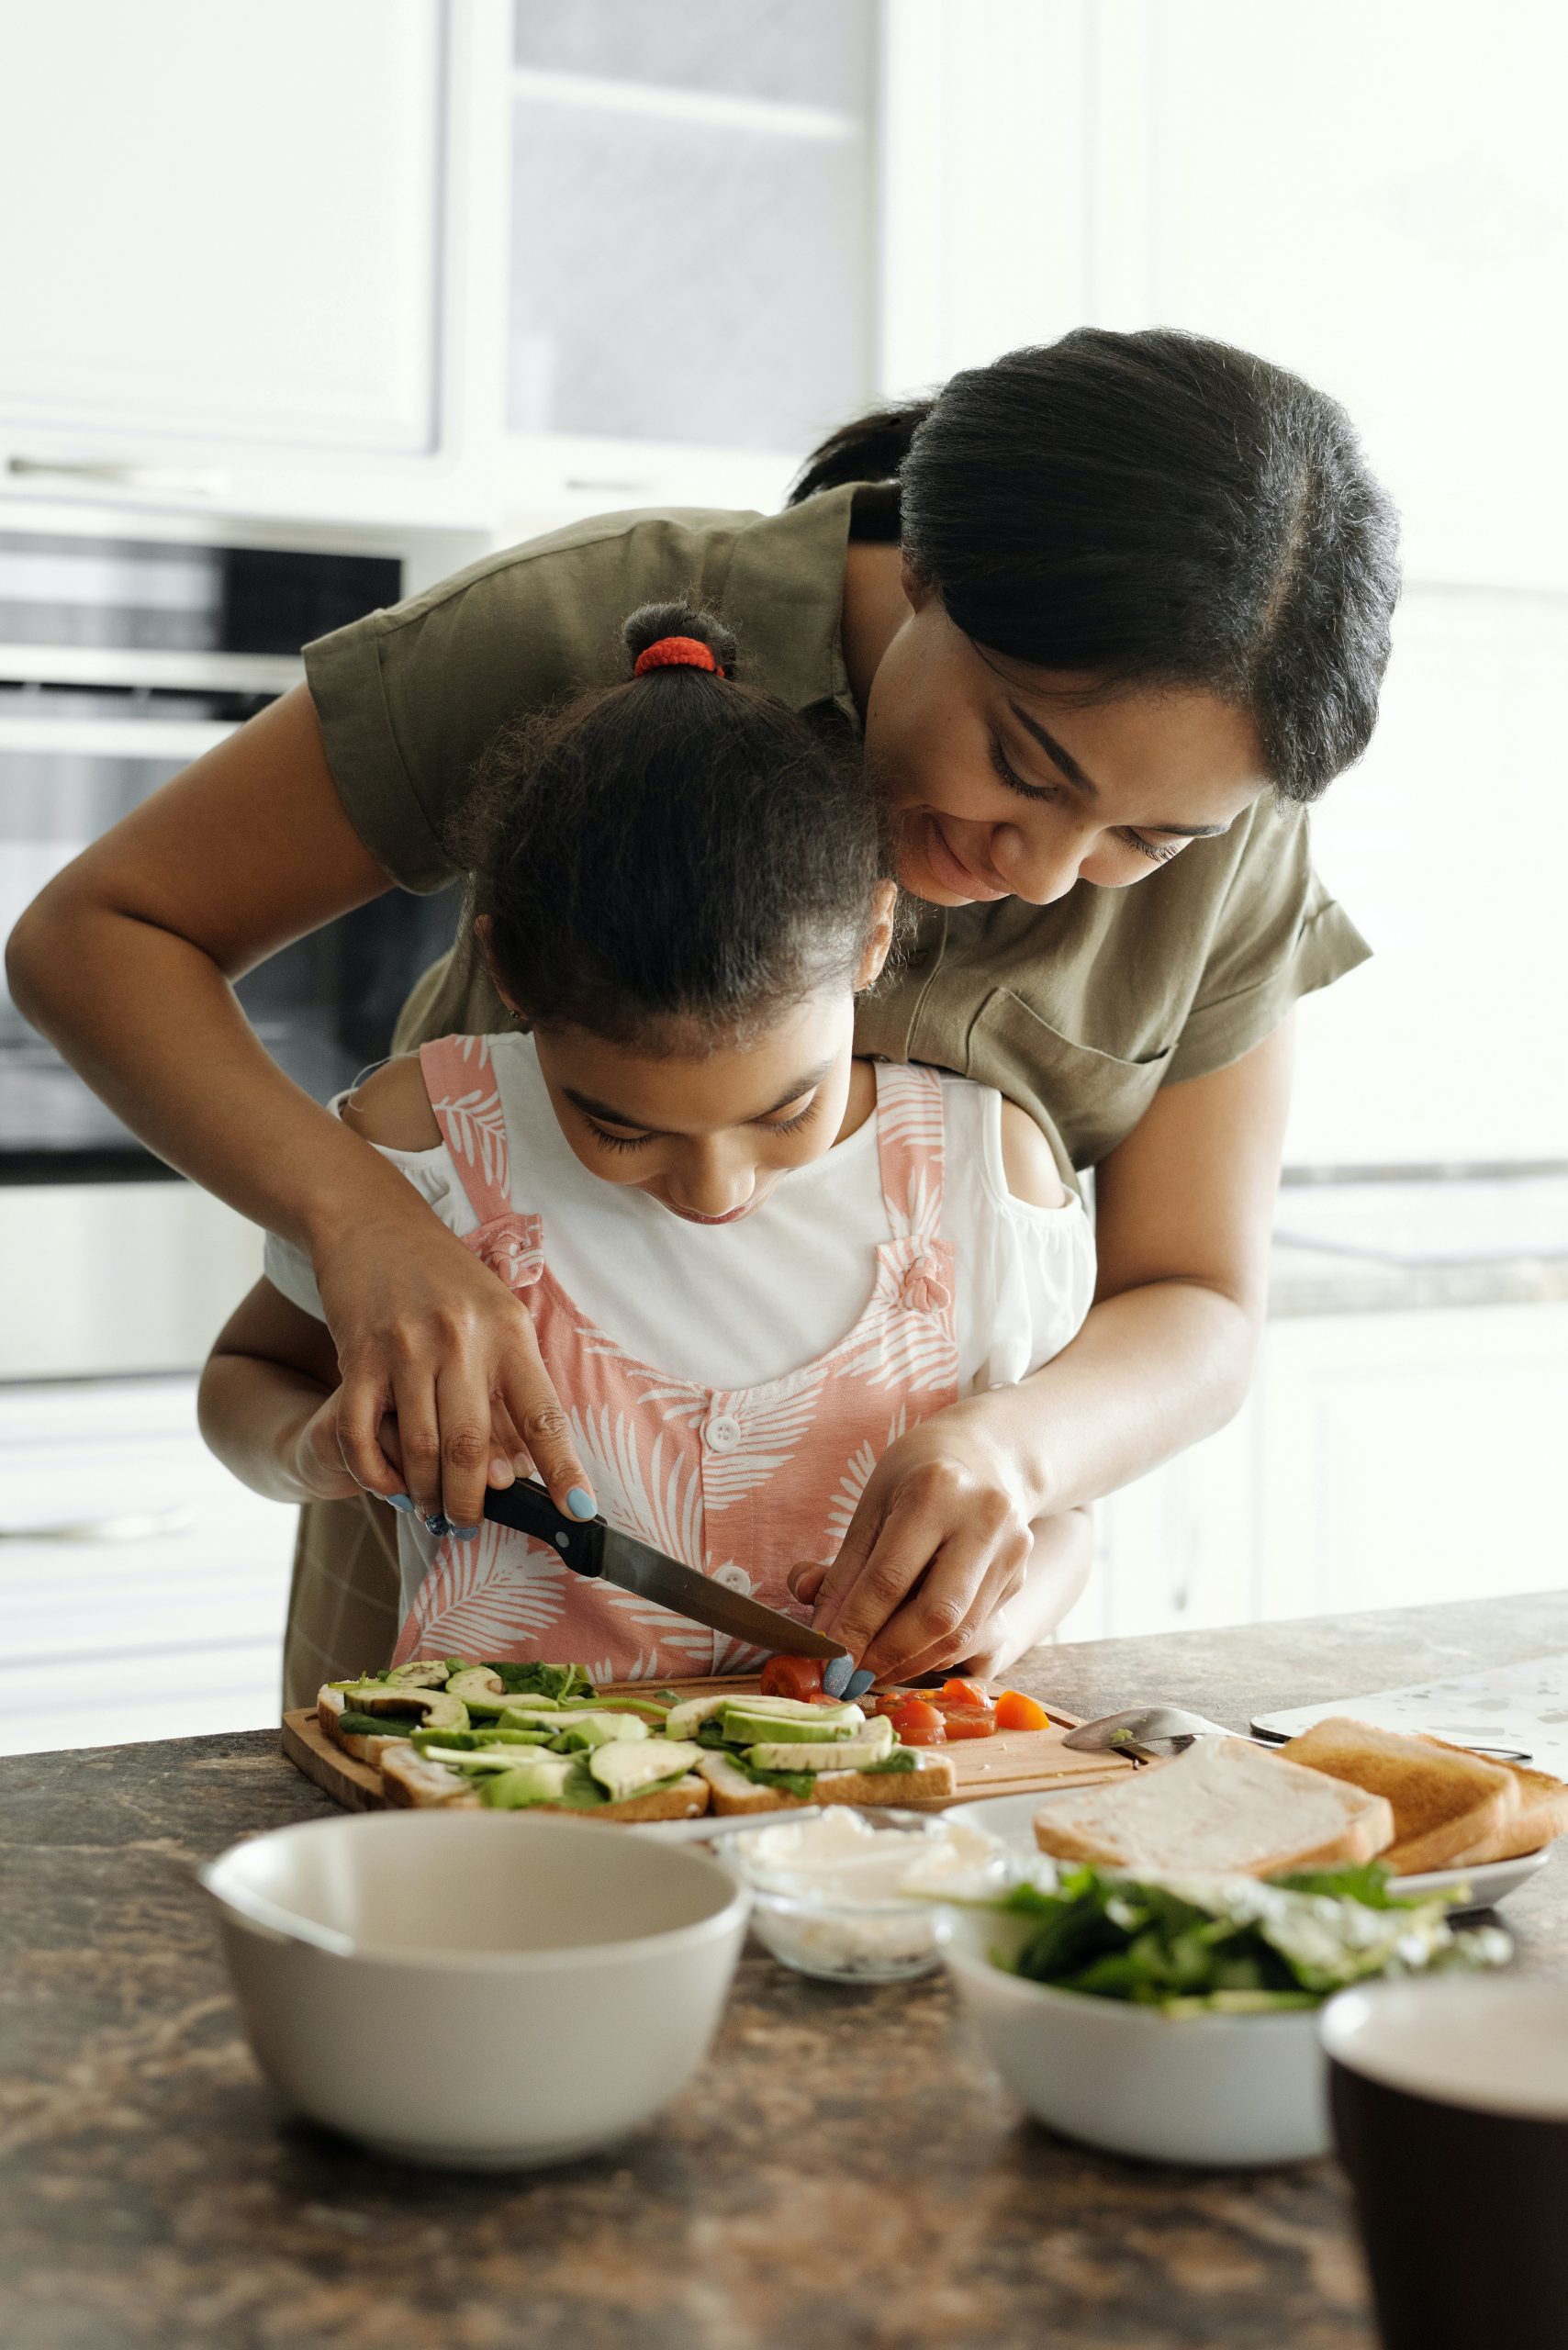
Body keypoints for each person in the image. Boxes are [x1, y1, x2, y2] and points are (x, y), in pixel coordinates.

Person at [5, 328, 1399, 1704]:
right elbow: (101, 937)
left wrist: (1021, 1466)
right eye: (1022, 764)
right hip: (459, 1627)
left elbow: (1199, 1302)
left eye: (1142, 840)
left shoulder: (1236, 834)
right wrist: (359, 1222)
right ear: (923, 572)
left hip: (898, 1681)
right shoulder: (581, 625)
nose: (1040, 872)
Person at [196, 605, 1096, 1682]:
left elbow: (1069, 1515)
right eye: (618, 1125)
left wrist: (998, 1620)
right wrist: (323, 1449)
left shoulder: (984, 1180)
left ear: (872, 935)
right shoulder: (428, 1145)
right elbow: (243, 1380)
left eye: (782, 1112)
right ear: (513, 977)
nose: (714, 1189)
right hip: (512, 1839)